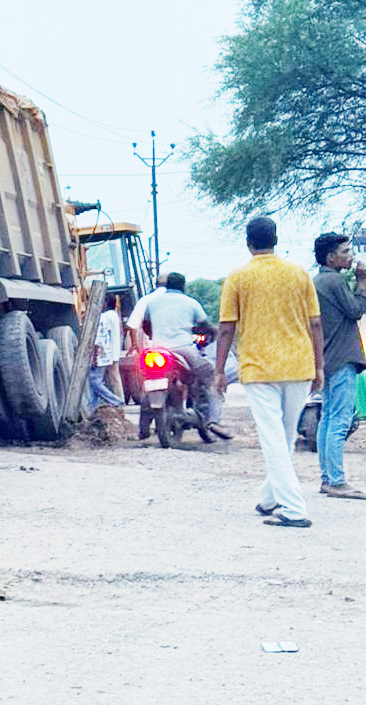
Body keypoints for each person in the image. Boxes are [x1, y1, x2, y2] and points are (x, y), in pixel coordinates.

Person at [215, 216, 323, 529]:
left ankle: (294, 510)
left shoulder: (237, 277)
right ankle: (269, 498)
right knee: (285, 436)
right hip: (299, 364)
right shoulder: (299, 273)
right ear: (275, 240)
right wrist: (319, 366)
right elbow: (315, 323)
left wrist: (219, 371)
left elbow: (225, 329)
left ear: (248, 242)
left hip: (259, 367)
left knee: (274, 439)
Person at [311, 232, 366, 499]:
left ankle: (327, 477)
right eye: (345, 252)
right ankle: (336, 479)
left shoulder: (319, 281)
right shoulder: (334, 281)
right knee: (340, 420)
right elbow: (356, 310)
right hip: (343, 357)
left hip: (327, 357)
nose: (350, 255)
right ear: (331, 258)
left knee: (328, 418)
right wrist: (363, 283)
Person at [141, 271, 228, 439]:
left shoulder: (152, 302)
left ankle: (143, 428)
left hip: (157, 350)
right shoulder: (191, 302)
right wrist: (212, 333)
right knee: (208, 376)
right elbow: (204, 325)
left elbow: (145, 324)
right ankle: (210, 418)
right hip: (183, 349)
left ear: (166, 286)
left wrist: (154, 335)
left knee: (145, 381)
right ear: (183, 286)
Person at [89, 294, 124, 410]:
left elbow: (99, 337)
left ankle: (116, 400)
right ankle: (92, 407)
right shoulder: (115, 315)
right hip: (110, 351)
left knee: (96, 381)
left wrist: (94, 355)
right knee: (112, 378)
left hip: (103, 353)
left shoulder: (104, 317)